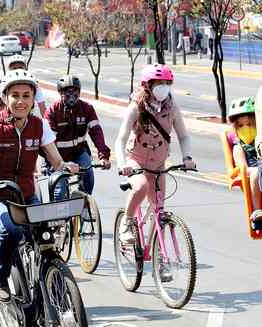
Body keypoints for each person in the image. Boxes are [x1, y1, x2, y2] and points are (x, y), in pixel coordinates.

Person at [0, 70, 79, 302]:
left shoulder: (39, 126)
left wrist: (66, 166)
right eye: (15, 95)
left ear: (33, 98)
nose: (21, 101)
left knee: (46, 241)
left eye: (26, 95)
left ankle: (59, 299)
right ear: (5, 98)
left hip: (26, 198)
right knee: (12, 229)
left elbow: (56, 161)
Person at [115, 64, 196, 247]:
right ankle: (126, 223)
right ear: (147, 85)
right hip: (135, 160)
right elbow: (121, 139)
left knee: (159, 209)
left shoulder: (172, 107)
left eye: (167, 83)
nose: (163, 87)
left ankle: (155, 253)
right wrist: (122, 164)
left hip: (159, 163)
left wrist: (187, 157)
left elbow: (183, 136)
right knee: (141, 187)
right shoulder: (136, 107)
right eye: (158, 83)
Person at [44, 75, 111, 200]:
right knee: (59, 191)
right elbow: (48, 142)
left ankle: (84, 205)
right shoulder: (52, 112)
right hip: (58, 156)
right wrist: (53, 162)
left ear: (79, 92)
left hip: (79, 152)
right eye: (66, 91)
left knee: (89, 176)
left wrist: (104, 156)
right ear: (60, 92)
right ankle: (60, 218)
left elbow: (96, 132)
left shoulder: (87, 109)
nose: (71, 95)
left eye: (75, 91)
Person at [228, 97, 262, 224]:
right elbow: (242, 168)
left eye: (249, 124)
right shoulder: (239, 147)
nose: (245, 128)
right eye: (240, 126)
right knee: (257, 172)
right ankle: (257, 211)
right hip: (251, 171)